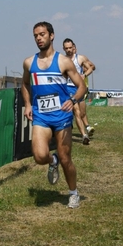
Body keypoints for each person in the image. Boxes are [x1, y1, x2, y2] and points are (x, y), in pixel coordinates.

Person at [21, 21, 86, 208]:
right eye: (35, 35)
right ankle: (53, 159)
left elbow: (82, 86)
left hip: (62, 117)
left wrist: (73, 100)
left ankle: (73, 193)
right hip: (41, 116)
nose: (38, 38)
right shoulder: (29, 63)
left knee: (66, 160)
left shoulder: (63, 62)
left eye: (42, 34)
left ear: (51, 35)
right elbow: (25, 84)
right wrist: (27, 104)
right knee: (40, 156)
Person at [62, 38, 96, 144]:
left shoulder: (80, 58)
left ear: (73, 47)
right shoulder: (62, 60)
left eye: (70, 48)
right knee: (76, 111)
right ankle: (84, 135)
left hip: (79, 88)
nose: (68, 50)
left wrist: (84, 75)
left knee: (82, 112)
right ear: (64, 49)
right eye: (66, 48)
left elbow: (91, 67)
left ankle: (84, 127)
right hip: (68, 88)